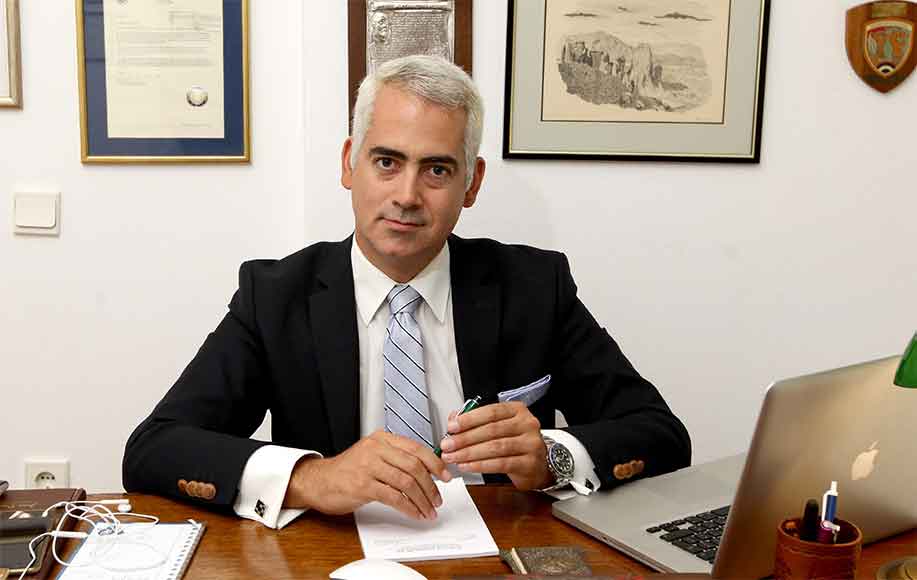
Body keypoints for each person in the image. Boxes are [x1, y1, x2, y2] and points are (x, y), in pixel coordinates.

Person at [122, 55, 690, 529]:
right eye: (387, 162)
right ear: (350, 164)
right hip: (335, 559)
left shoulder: (535, 287)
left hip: (502, 551)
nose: (407, 195)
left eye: (437, 170)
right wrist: (314, 478)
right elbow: (154, 448)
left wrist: (554, 456)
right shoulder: (274, 296)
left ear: (472, 183)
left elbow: (661, 433)